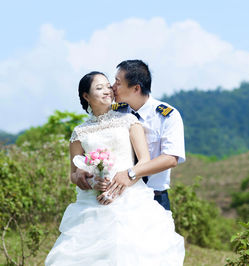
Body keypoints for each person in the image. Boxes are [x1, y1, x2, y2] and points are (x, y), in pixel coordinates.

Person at [45, 71, 185, 265]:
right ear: (86, 96)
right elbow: (74, 174)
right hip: (94, 201)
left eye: (108, 86)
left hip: (130, 198)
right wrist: (89, 179)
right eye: (99, 87)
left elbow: (143, 160)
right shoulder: (79, 132)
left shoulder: (128, 121)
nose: (107, 91)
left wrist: (125, 179)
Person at [98, 59, 185, 210]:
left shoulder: (167, 115)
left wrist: (131, 174)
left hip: (155, 197)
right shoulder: (115, 112)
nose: (113, 87)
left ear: (136, 88)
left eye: (118, 82)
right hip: (119, 196)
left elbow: (170, 158)